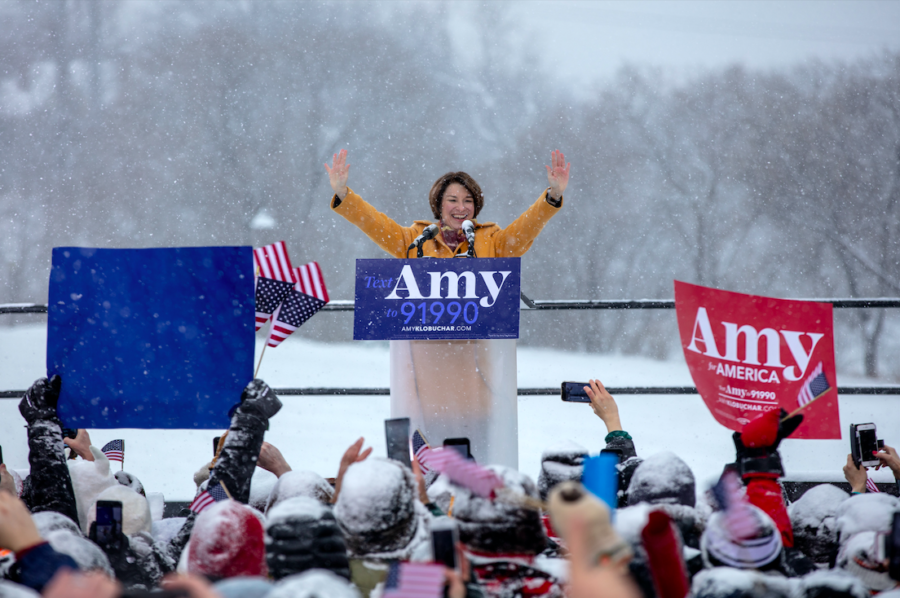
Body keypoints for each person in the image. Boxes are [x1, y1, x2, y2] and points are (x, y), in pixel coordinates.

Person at [324, 148, 570, 258]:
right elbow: (374, 224)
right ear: (439, 205)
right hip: (426, 351)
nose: (461, 207)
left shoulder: (494, 242)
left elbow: (527, 227)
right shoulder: (415, 241)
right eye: (452, 200)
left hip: (477, 350)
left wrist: (553, 196)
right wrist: (344, 194)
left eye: (468, 201)